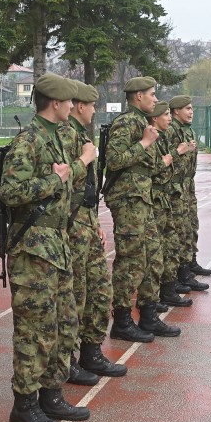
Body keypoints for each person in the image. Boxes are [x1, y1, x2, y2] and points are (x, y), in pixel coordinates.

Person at [0, 73, 93, 422]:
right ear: (55, 103)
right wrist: (55, 179)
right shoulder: (29, 141)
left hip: (57, 242)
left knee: (64, 322)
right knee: (33, 327)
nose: (74, 106)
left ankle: (51, 394)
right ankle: (24, 403)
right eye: (69, 101)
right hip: (32, 248)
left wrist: (75, 168)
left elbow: (76, 176)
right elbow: (10, 191)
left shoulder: (61, 136)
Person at [65, 81, 126, 382]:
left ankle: (92, 352)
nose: (94, 111)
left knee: (100, 291)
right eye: (91, 105)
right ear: (78, 105)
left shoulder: (81, 136)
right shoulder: (66, 138)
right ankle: (69, 360)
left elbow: (87, 191)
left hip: (86, 222)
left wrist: (95, 222)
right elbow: (60, 187)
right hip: (69, 227)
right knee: (75, 295)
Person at [103, 76, 163, 343]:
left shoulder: (143, 122)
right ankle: (123, 321)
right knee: (130, 260)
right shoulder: (127, 122)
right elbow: (114, 160)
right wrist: (145, 143)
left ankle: (149, 314)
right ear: (138, 96)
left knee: (151, 255)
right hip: (128, 200)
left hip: (142, 198)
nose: (155, 99)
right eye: (152, 94)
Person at [139, 101, 189, 335]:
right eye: (166, 114)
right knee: (154, 252)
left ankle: (165, 290)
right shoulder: (153, 140)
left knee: (168, 245)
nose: (169, 118)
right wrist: (174, 155)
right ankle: (156, 296)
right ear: (155, 118)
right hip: (155, 200)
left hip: (165, 197)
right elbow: (151, 170)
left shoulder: (161, 138)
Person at [169, 95, 211, 278]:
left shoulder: (188, 131)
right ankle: (182, 269)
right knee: (180, 228)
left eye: (192, 108)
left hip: (188, 184)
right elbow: (164, 158)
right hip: (176, 186)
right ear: (176, 111)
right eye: (187, 108)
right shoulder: (171, 130)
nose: (191, 112)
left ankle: (190, 261)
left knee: (191, 225)